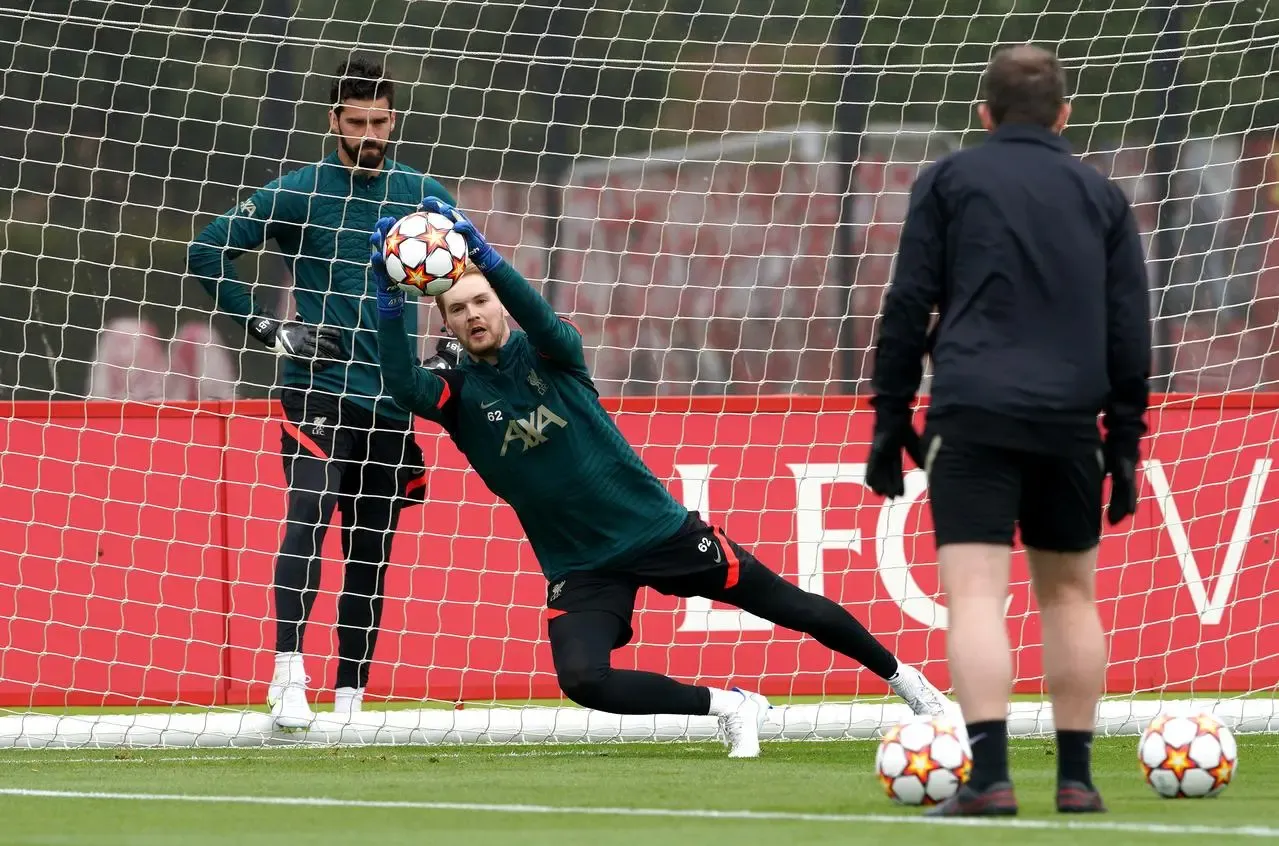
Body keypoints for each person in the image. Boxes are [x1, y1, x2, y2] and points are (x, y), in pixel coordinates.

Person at [371, 196, 949, 759]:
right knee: (582, 679)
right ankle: (729, 706)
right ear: (444, 319)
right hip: (580, 564)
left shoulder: (553, 354)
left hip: (657, 532)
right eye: (457, 309)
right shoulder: (457, 394)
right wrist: (389, 305)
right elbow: (402, 387)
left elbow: (543, 321)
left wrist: (488, 257)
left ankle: (910, 683)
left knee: (793, 607)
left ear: (500, 304)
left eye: (481, 301)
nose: (473, 315)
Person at [866, 44, 1151, 815]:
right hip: (1068, 424)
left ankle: (989, 780)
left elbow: (905, 304)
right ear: (1064, 115)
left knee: (976, 597)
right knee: (1068, 597)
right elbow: (1130, 330)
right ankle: (1076, 779)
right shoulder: (1102, 196)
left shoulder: (950, 180)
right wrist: (1122, 443)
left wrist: (889, 417)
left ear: (983, 115)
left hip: (974, 413)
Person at [187, 57, 462, 728]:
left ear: (393, 119)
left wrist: (451, 346)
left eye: (380, 121)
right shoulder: (299, 192)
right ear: (333, 120)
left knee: (370, 546)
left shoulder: (424, 193)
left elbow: (462, 272)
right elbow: (207, 248)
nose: (370, 133)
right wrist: (267, 327)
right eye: (357, 121)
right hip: (315, 384)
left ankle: (350, 700)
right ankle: (287, 676)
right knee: (309, 510)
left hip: (392, 395)